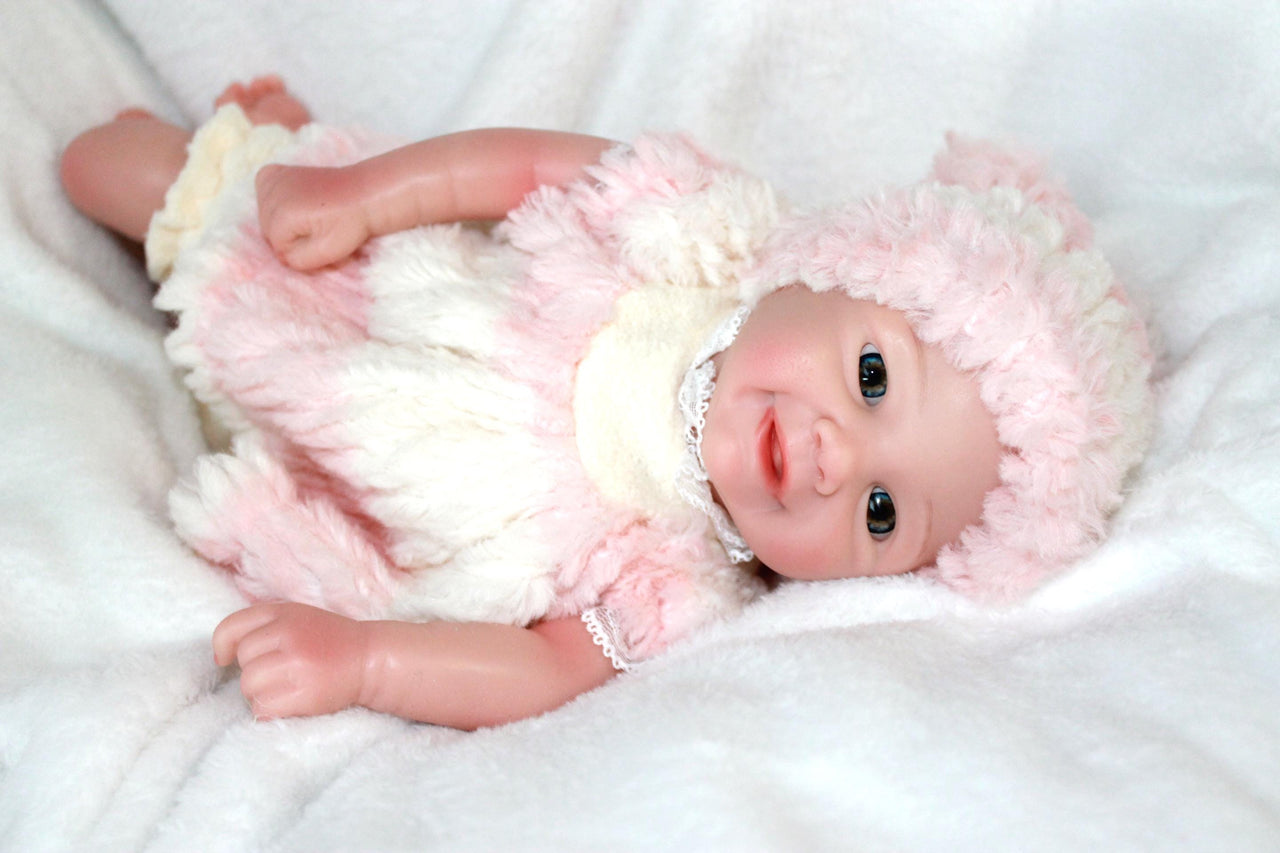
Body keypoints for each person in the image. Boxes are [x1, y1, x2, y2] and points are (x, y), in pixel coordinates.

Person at [61, 77, 1153, 730]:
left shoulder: (680, 579)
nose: (832, 460)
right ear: (840, 265)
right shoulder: (702, 235)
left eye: (880, 512)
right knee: (108, 170)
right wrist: (358, 196)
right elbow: (530, 168)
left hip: (359, 477)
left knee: (242, 387)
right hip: (377, 287)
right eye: (869, 379)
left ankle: (257, 161)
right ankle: (266, 161)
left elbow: (540, 666)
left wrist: (361, 659)